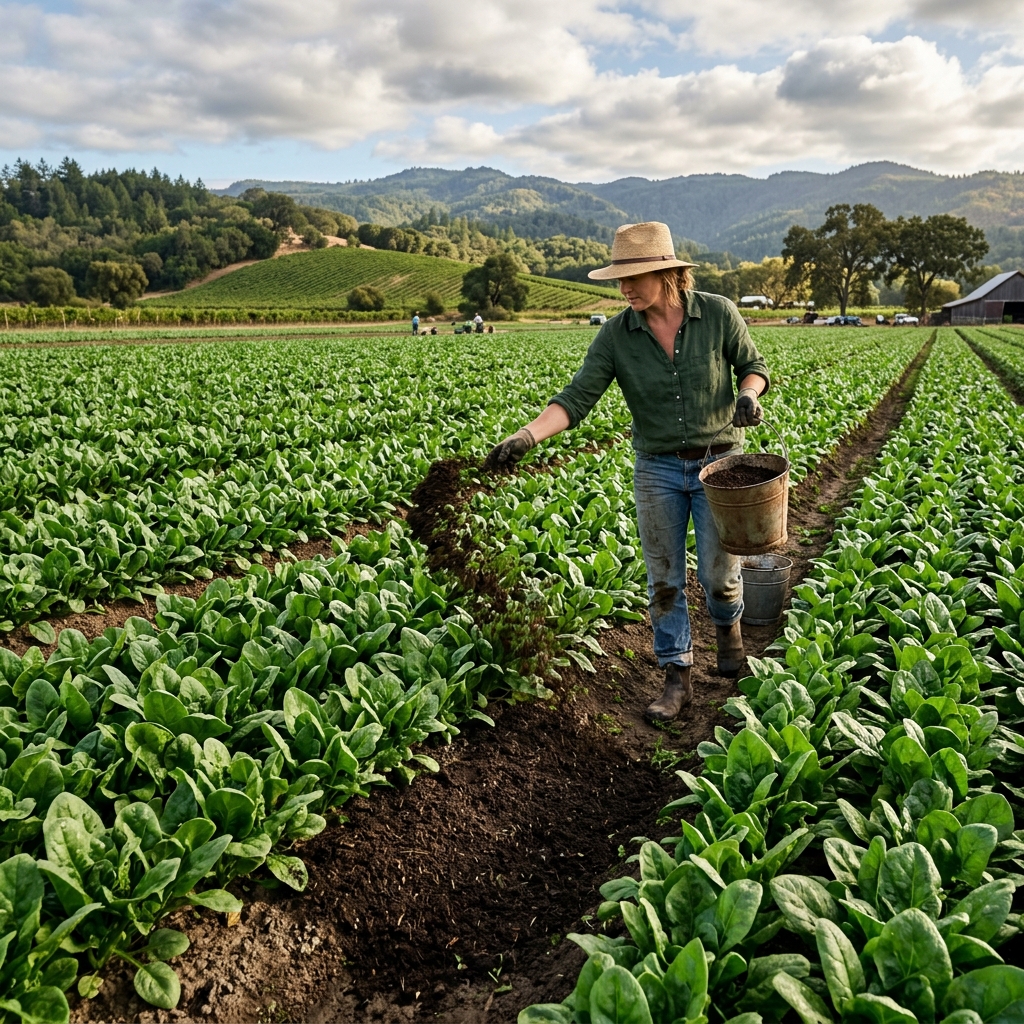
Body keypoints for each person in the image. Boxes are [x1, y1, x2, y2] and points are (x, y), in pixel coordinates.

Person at [482, 222, 770, 723]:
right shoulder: (617, 335)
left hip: (720, 467)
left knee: (719, 574)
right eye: (620, 278)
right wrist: (527, 435)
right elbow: (576, 399)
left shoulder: (718, 313)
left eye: (634, 276)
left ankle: (729, 632)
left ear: (667, 273)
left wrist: (747, 394)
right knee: (664, 579)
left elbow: (753, 365)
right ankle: (676, 676)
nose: (625, 287)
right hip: (657, 469)